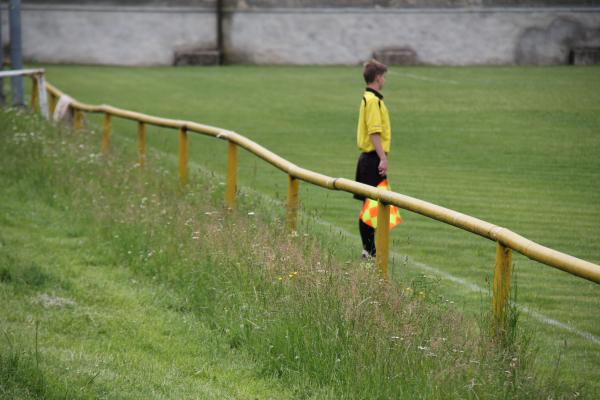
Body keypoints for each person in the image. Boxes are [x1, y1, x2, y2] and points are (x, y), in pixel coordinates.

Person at [354, 59, 392, 259]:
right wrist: (382, 158)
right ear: (378, 77)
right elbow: (374, 132)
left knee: (373, 205)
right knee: (372, 205)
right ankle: (369, 250)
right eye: (383, 76)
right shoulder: (373, 101)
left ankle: (369, 249)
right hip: (371, 159)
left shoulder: (369, 98)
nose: (384, 80)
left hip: (369, 158)